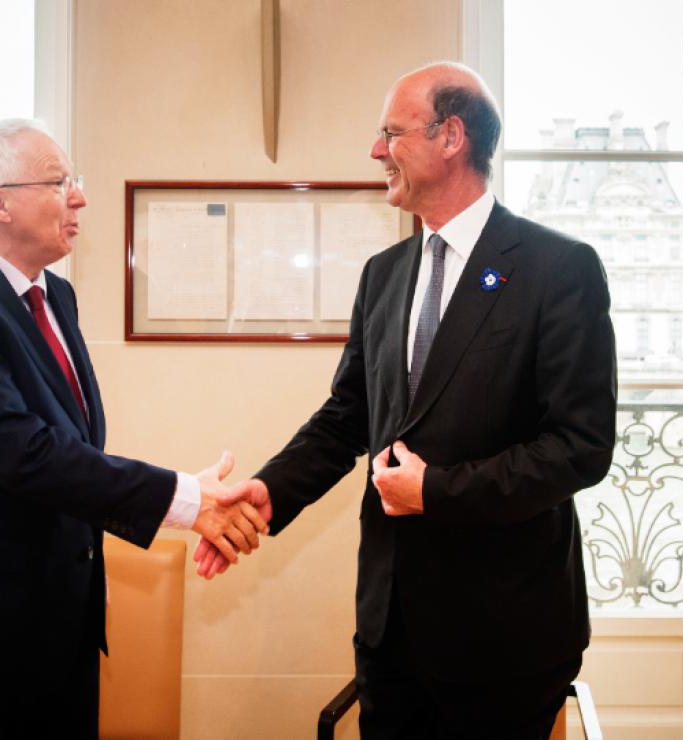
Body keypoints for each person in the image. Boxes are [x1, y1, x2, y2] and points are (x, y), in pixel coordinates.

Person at [199, 62, 617, 739]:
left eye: (390, 133)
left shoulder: (557, 269)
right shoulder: (385, 274)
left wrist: (439, 491)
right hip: (390, 633)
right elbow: (348, 417)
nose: (374, 150)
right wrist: (270, 491)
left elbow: (581, 447)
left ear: (451, 136)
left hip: (505, 637)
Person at [0, 118, 267, 740]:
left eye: (75, 180)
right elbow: (24, 453)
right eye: (59, 181)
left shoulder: (56, 296)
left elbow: (71, 448)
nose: (79, 196)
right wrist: (186, 500)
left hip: (54, 623)